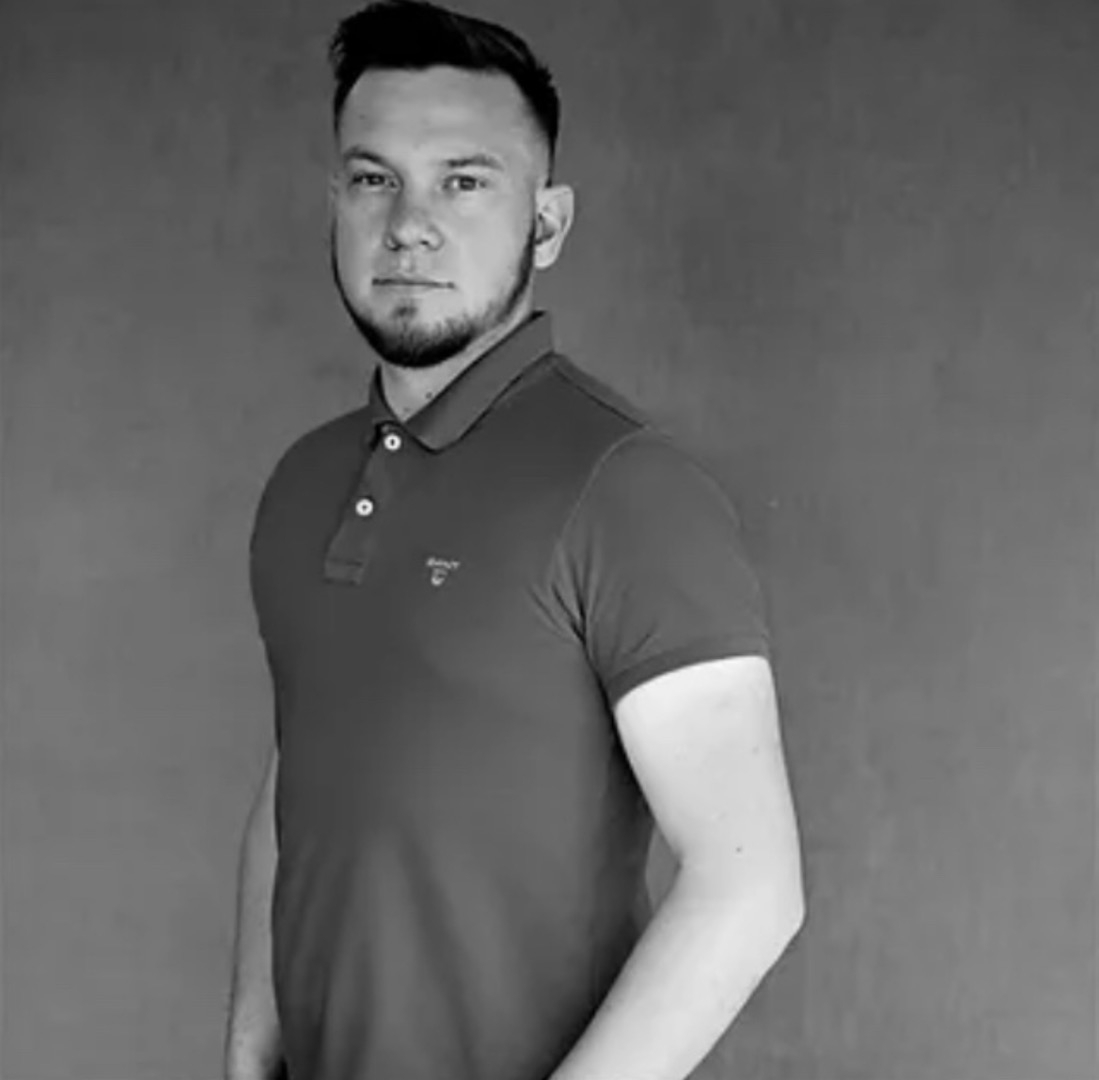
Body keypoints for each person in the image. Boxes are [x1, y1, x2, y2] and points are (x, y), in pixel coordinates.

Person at [223, 3, 805, 1079]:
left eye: (463, 180)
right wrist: (250, 1045)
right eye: (373, 178)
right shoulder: (303, 482)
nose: (409, 224)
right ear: (335, 202)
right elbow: (299, 779)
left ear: (547, 222)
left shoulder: (626, 487)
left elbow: (748, 885)